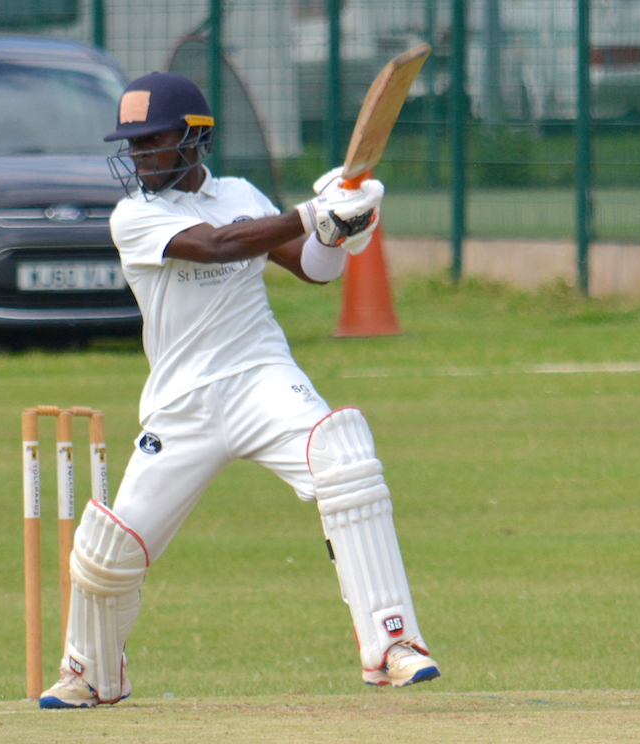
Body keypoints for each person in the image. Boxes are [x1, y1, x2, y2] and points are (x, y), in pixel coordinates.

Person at [39, 72, 440, 709]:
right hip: (182, 405)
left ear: (195, 138)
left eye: (153, 140)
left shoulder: (238, 194)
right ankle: (91, 672)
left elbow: (310, 266)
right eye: (132, 144)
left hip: (262, 380)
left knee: (346, 458)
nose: (139, 156)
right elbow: (217, 246)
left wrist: (342, 231)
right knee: (107, 552)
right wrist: (311, 213)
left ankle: (392, 644)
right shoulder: (135, 215)